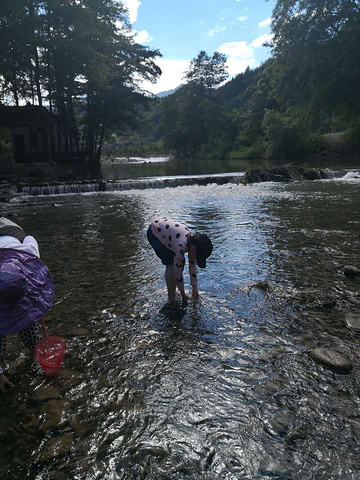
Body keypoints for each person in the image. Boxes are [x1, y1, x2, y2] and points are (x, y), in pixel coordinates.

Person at [0, 217, 54, 392]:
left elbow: (30, 238)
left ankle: (34, 351)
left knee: (27, 317)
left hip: (11, 234)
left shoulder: (28, 251)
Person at [147, 216, 213, 305]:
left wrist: (195, 290)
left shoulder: (192, 243)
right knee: (171, 263)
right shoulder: (180, 246)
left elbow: (192, 267)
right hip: (154, 233)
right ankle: (171, 297)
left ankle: (174, 290)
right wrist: (183, 295)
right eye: (197, 257)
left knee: (180, 261)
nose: (195, 260)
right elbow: (178, 272)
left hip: (167, 233)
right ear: (193, 250)